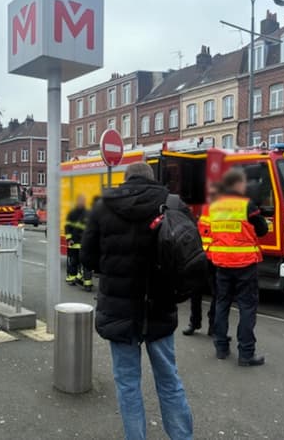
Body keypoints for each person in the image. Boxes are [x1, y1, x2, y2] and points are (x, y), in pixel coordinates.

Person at [82, 162, 193, 440]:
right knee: (169, 381)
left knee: (128, 385)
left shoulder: (103, 207)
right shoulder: (173, 205)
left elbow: (87, 258)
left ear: (126, 180)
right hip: (159, 307)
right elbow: (188, 255)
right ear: (152, 179)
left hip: (118, 311)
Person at [209, 168, 268, 366]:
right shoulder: (247, 205)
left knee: (221, 304)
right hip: (245, 264)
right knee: (246, 307)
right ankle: (246, 353)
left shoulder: (215, 206)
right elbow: (262, 230)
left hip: (221, 264)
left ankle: (221, 348)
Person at [182, 182, 222, 337]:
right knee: (198, 292)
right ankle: (196, 323)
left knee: (215, 294)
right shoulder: (210, 208)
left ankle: (210, 325)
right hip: (204, 257)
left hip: (213, 257)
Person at [65, 194, 93, 292]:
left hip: (84, 244)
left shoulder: (88, 213)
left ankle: (87, 284)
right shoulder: (72, 214)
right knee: (74, 262)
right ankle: (73, 279)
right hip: (74, 244)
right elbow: (67, 227)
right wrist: (69, 239)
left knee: (86, 264)